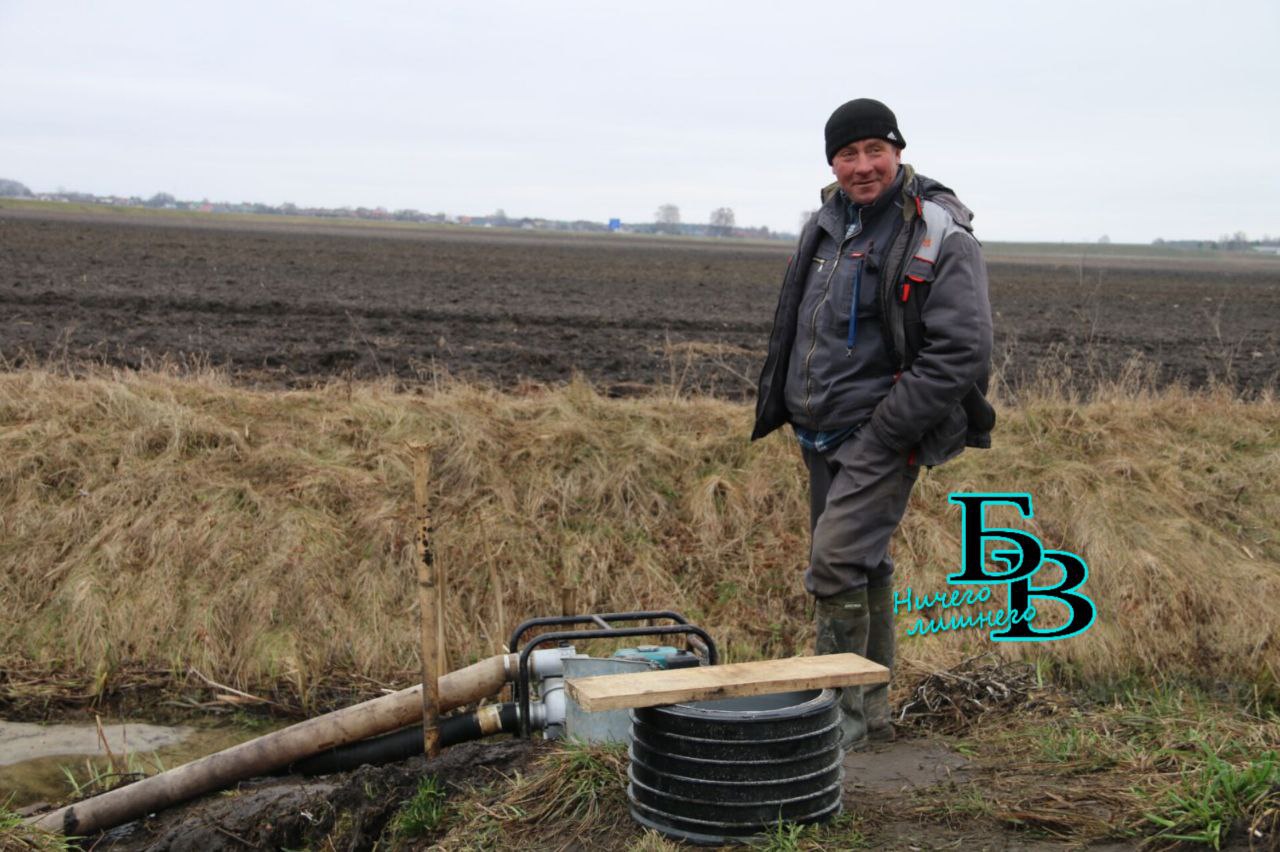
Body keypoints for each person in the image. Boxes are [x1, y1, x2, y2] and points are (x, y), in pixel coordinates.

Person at [751, 98, 995, 750]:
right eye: (847, 153)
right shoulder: (829, 224)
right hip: (819, 432)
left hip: (880, 432)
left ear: (897, 151)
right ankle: (873, 715)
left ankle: (838, 727)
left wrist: (889, 430)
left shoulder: (937, 234)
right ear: (831, 160)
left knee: (833, 566)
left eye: (874, 151)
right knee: (865, 565)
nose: (862, 166)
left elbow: (962, 350)